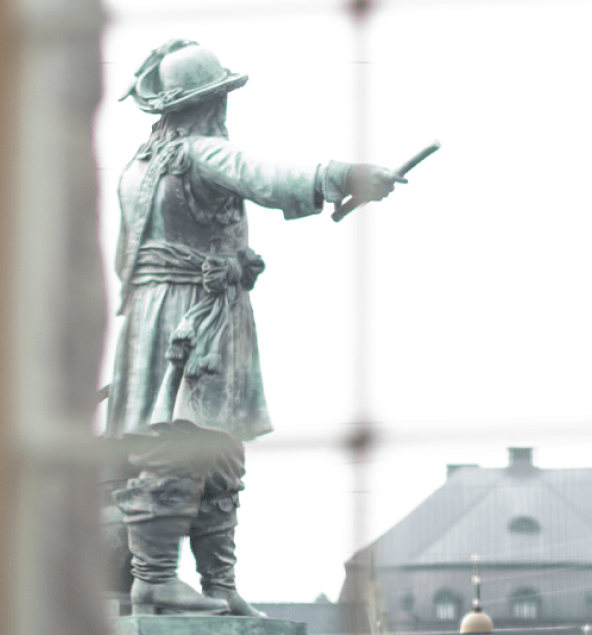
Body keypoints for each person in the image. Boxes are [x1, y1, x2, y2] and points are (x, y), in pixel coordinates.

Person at [105, 38, 401, 615]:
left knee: (212, 446)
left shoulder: (136, 167)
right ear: (210, 101)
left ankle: (218, 587)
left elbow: (126, 258)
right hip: (200, 313)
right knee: (187, 443)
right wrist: (344, 175)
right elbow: (264, 176)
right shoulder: (202, 154)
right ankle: (157, 577)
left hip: (150, 315)